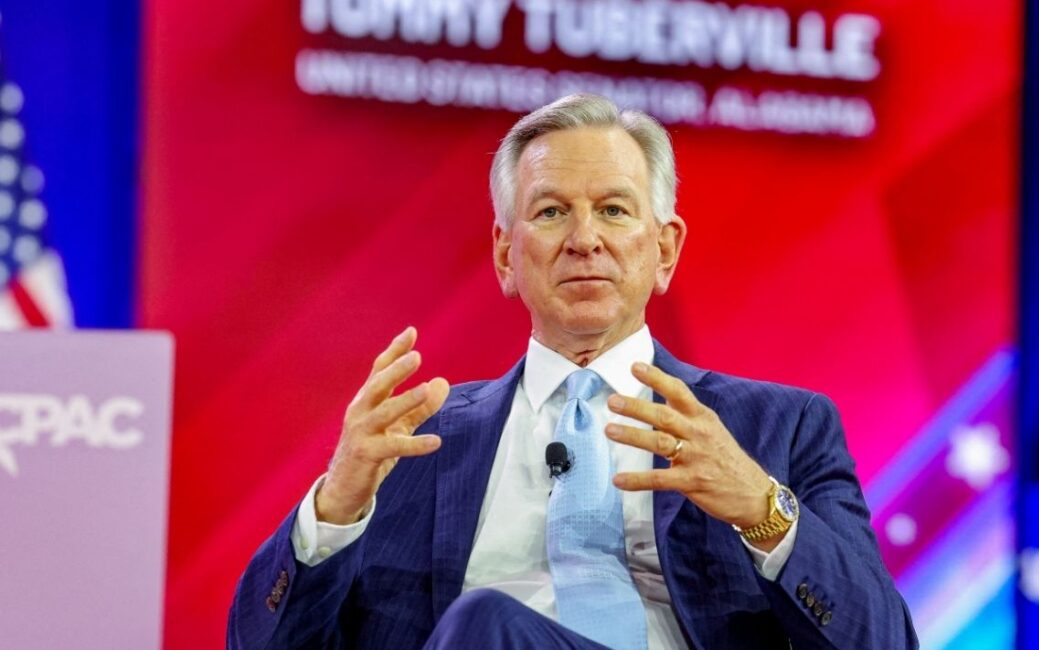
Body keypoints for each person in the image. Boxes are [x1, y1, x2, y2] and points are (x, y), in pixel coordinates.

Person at [228, 93, 918, 649]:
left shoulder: (779, 428)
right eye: (552, 211)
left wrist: (762, 510)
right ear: (506, 255)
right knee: (483, 625)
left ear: (664, 248)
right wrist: (333, 509)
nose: (584, 239)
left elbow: (883, 639)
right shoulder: (415, 442)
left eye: (614, 211)